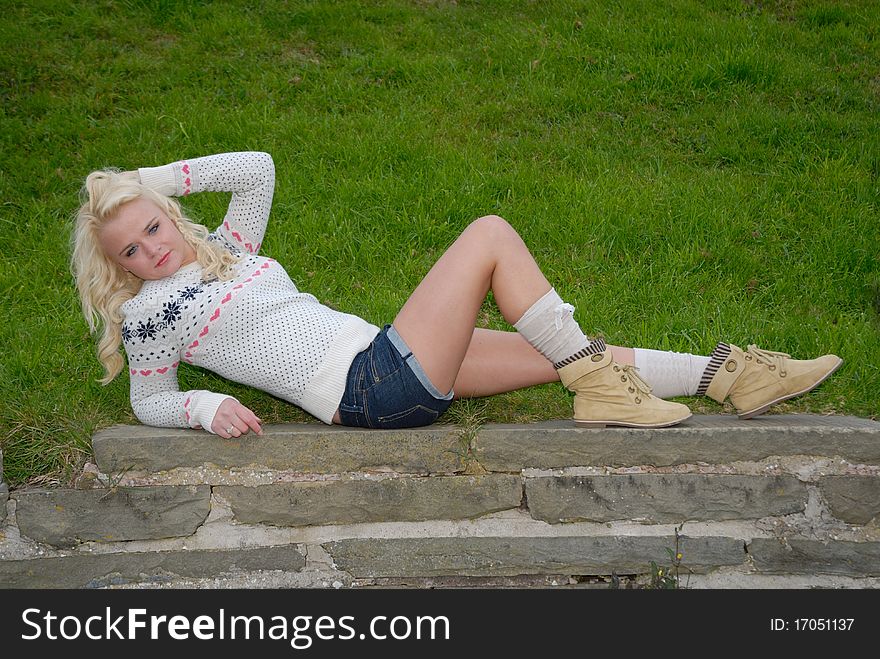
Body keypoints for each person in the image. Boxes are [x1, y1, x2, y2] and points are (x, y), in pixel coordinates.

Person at [71, 152, 843, 438]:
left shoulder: (225, 250)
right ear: (118, 268)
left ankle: (733, 376)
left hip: (380, 364)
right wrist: (202, 408)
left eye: (150, 226)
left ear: (166, 213)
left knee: (561, 351)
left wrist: (147, 180)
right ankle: (600, 388)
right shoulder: (146, 314)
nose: (150, 250)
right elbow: (148, 400)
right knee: (488, 234)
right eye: (129, 251)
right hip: (369, 387)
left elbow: (259, 169)